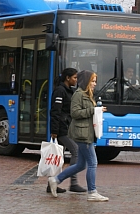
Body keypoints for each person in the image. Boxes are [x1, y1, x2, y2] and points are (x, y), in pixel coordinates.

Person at [48, 70, 109, 202]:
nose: (94, 84)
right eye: (92, 81)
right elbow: (75, 113)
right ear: (86, 81)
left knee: (81, 165)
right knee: (93, 163)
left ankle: (55, 180)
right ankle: (92, 191)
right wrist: (94, 110)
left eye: (95, 81)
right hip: (82, 134)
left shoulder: (87, 95)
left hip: (87, 133)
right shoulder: (78, 94)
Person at [47, 68, 86, 194]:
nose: (76, 80)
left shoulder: (69, 91)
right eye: (74, 77)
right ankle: (73, 183)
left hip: (67, 127)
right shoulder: (60, 91)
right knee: (76, 151)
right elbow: (55, 111)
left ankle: (51, 184)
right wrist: (54, 131)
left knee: (59, 157)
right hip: (62, 129)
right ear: (67, 78)